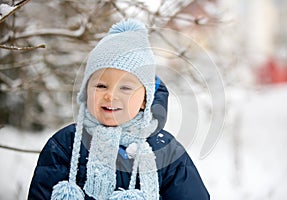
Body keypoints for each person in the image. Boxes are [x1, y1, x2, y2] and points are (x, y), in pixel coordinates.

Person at [28, 19, 210, 200]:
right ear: (86, 92)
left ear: (144, 101)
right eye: (101, 86)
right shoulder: (65, 144)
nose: (111, 95)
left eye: (125, 88)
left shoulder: (166, 150)